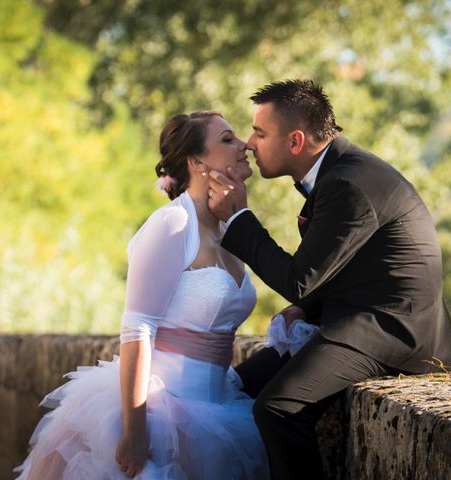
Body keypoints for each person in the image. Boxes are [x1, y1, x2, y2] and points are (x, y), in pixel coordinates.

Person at [207, 79, 451, 480]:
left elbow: (299, 278)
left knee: (277, 407)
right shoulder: (338, 172)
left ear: (296, 141)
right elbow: (341, 269)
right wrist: (305, 308)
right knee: (240, 382)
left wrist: (238, 218)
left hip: (394, 331)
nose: (250, 144)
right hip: (356, 315)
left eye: (259, 132)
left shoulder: (347, 183)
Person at [14, 111, 269, 479]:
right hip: (162, 410)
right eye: (228, 139)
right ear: (197, 162)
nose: (244, 144)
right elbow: (137, 328)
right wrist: (135, 430)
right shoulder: (173, 224)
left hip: (219, 409)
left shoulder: (229, 225)